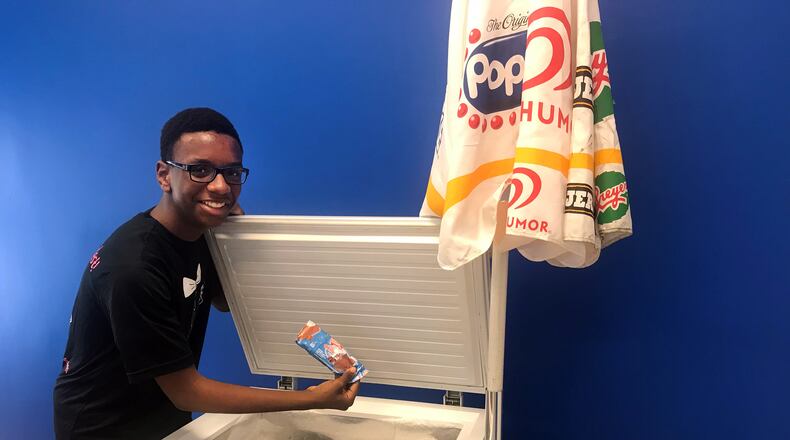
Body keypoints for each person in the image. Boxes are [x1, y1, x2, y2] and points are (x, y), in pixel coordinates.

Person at [53, 108, 360, 439]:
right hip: (103, 426)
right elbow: (188, 391)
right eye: (200, 170)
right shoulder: (134, 267)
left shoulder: (201, 233)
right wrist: (310, 399)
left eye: (231, 172)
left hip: (164, 415)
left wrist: (234, 239)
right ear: (164, 175)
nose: (220, 186)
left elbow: (224, 302)